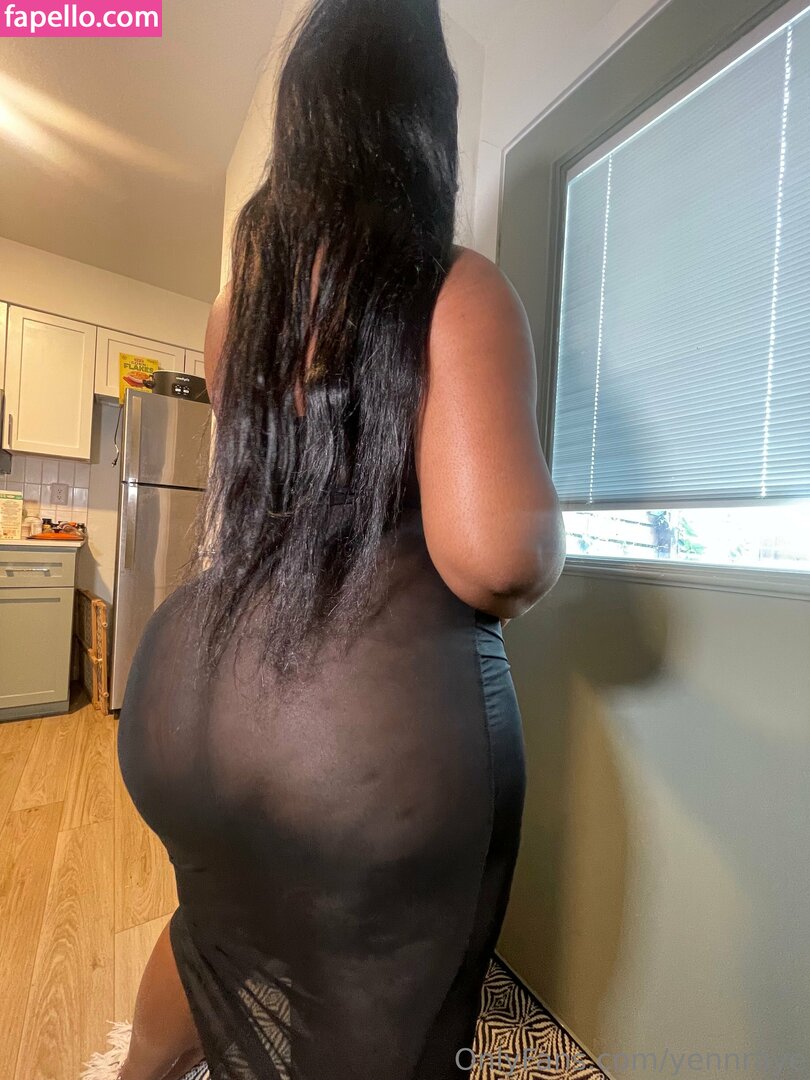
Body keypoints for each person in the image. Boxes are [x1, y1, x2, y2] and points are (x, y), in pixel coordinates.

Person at [115, 0, 564, 1077]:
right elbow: (493, 557)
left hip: (188, 690)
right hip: (351, 742)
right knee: (377, 1000)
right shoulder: (453, 287)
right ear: (423, 127)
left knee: (216, 924)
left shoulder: (239, 308)